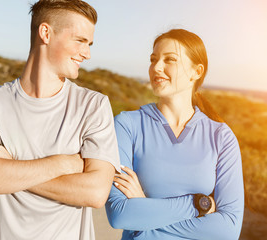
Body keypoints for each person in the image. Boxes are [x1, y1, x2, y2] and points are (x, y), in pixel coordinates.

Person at [0, 0, 120, 239]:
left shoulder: (93, 106)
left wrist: (10, 167)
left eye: (89, 44)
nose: (87, 53)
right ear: (45, 33)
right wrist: (64, 164)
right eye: (80, 41)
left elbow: (95, 193)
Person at [105, 29, 244, 239]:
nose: (156, 67)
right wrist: (199, 205)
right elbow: (119, 215)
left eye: (169, 59)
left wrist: (144, 210)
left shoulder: (221, 137)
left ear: (196, 72)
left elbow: (228, 229)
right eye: (153, 60)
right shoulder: (127, 125)